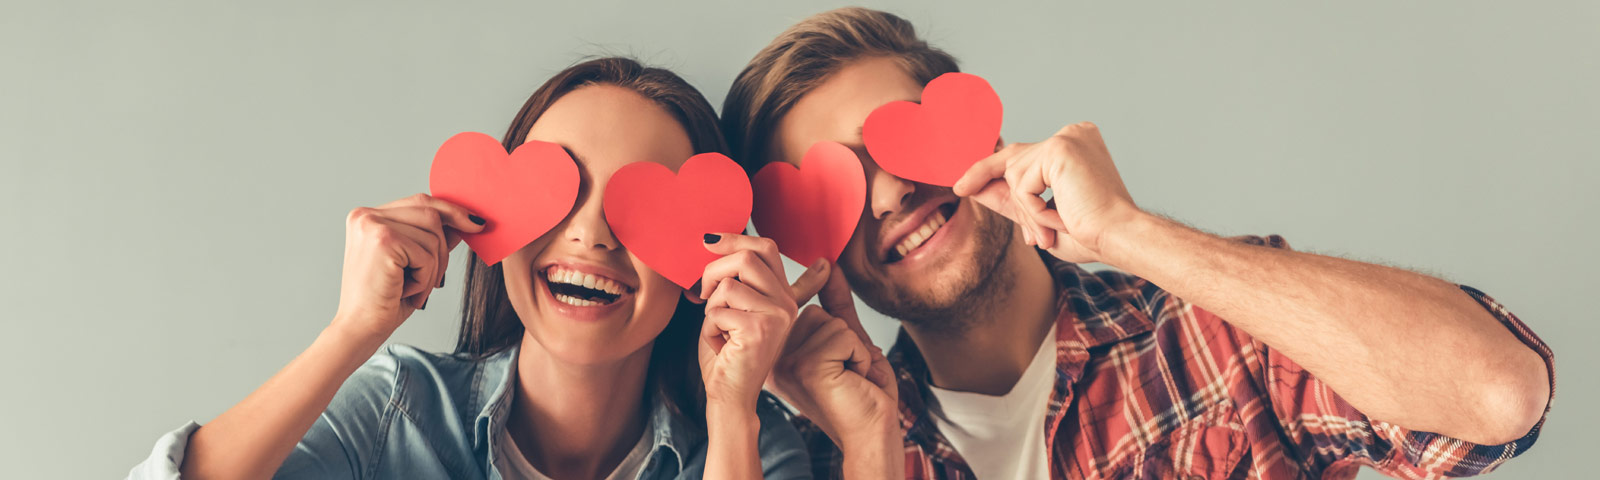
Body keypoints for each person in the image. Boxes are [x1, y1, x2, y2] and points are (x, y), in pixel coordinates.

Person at [723, 8, 1555, 479]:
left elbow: (1498, 395)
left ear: (975, 125)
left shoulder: (1213, 333)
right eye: (835, 185)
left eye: (902, 144)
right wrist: (870, 440)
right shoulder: (828, 449)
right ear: (806, 240)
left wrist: (1127, 233)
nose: (890, 193)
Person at [128, 57, 813, 480]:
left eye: (644, 205)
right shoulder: (398, 410)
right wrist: (350, 332)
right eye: (563, 189)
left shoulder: (750, 446)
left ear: (710, 254)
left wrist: (732, 411)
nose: (590, 233)